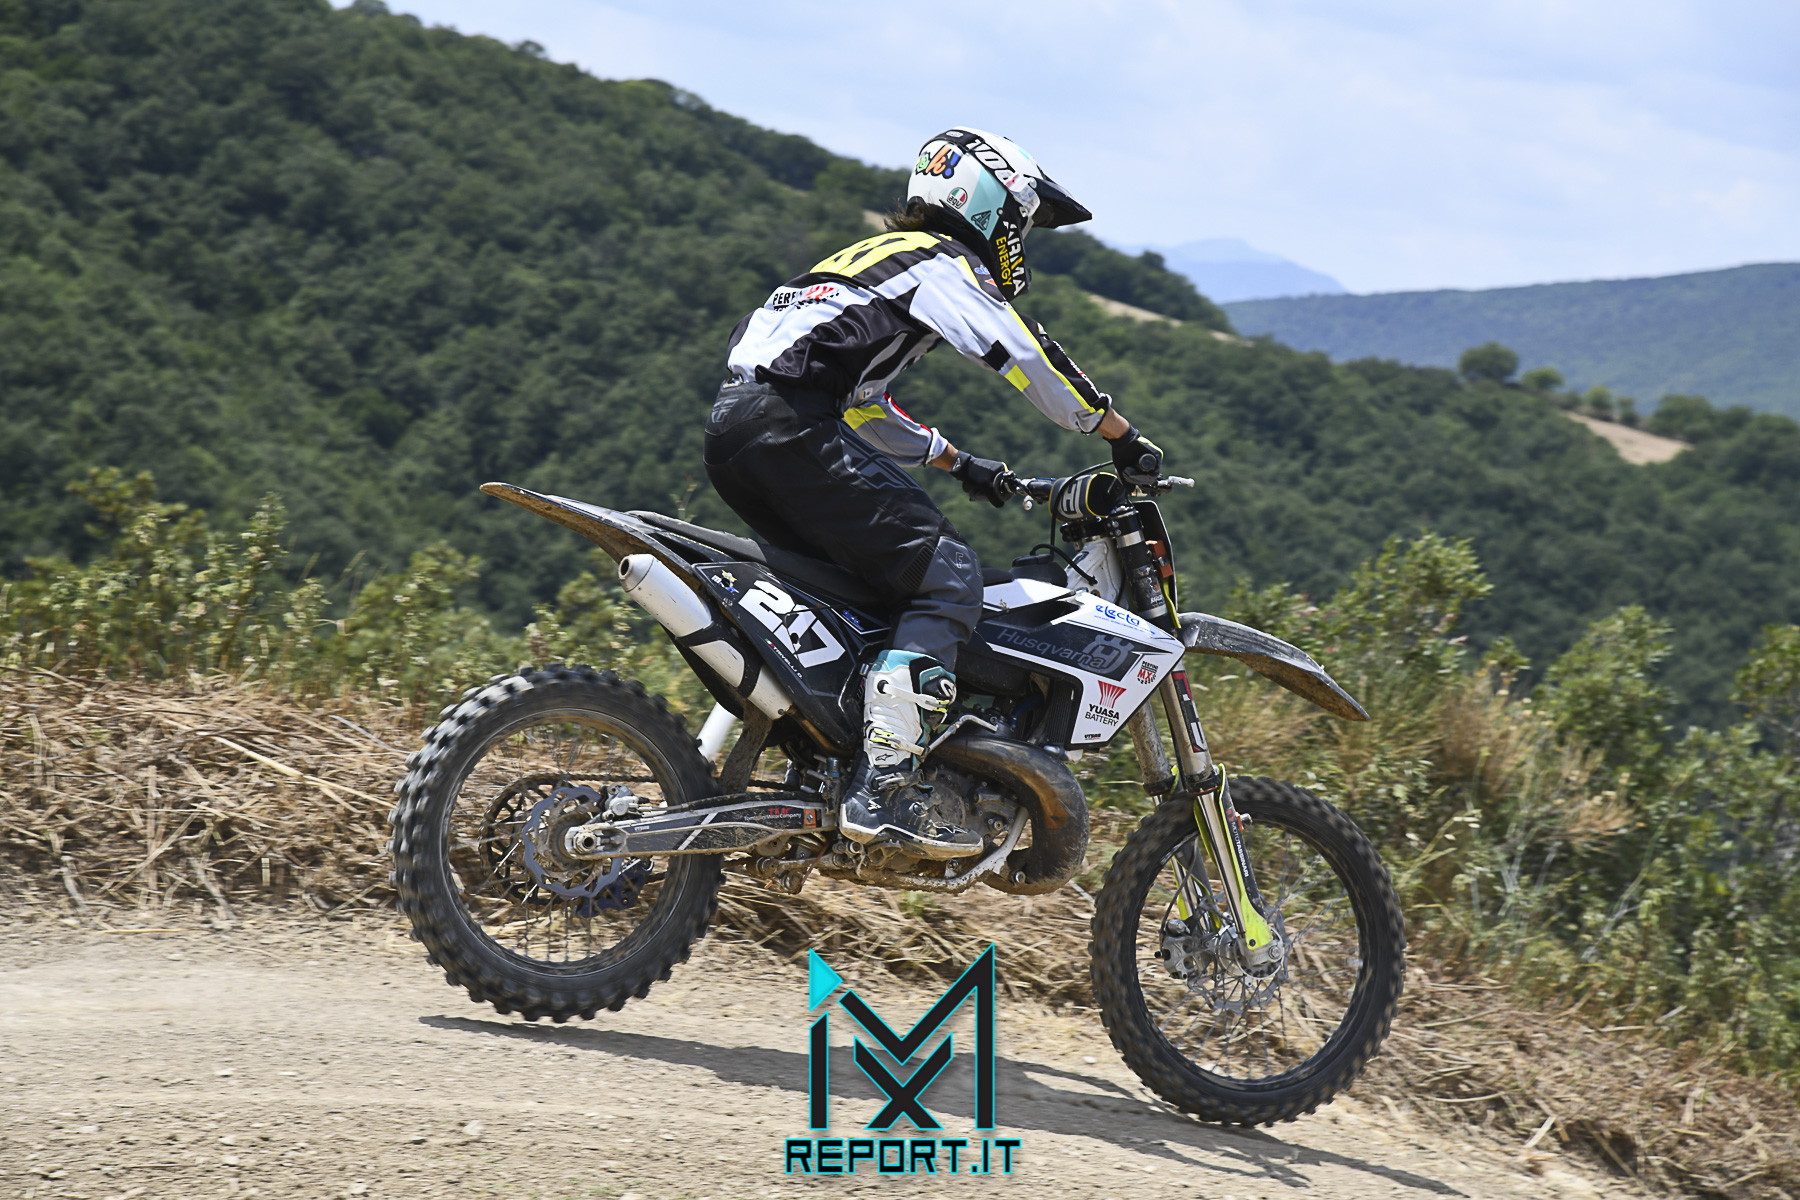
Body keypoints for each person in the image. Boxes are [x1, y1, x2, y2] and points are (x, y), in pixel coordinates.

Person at [706, 127, 1165, 856]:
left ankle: (815, 762)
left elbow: (863, 404)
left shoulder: (872, 259)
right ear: (988, 204)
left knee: (848, 593)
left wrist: (959, 463)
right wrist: (1117, 432)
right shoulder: (941, 261)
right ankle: (884, 784)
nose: (1019, 240)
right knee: (947, 576)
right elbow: (1024, 353)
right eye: (1020, 222)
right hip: (790, 428)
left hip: (737, 429)